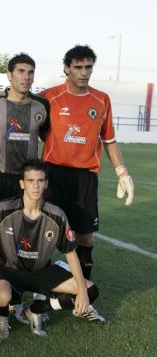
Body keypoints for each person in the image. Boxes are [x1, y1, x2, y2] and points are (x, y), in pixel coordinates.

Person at [0, 159, 104, 339]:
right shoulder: (3, 208)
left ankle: (35, 309)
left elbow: (71, 253)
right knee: (0, 297)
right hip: (7, 271)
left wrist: (82, 291)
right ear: (22, 183)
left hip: (40, 272)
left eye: (40, 181)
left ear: (46, 184)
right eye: (30, 181)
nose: (35, 186)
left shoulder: (57, 215)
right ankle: (2, 318)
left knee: (90, 291)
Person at [0, 53, 50, 323]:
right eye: (21, 71)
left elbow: (52, 138)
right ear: (9, 74)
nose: (26, 77)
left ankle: (13, 298)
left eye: (30, 72)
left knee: (22, 239)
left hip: (27, 184)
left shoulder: (41, 106)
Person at [40, 45, 134, 281]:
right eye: (78, 67)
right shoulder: (49, 97)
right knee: (47, 233)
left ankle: (83, 290)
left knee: (85, 238)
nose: (84, 72)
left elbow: (109, 139)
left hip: (85, 178)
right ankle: (42, 290)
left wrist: (122, 172)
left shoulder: (101, 100)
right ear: (67, 69)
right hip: (53, 174)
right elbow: (34, 128)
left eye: (88, 67)